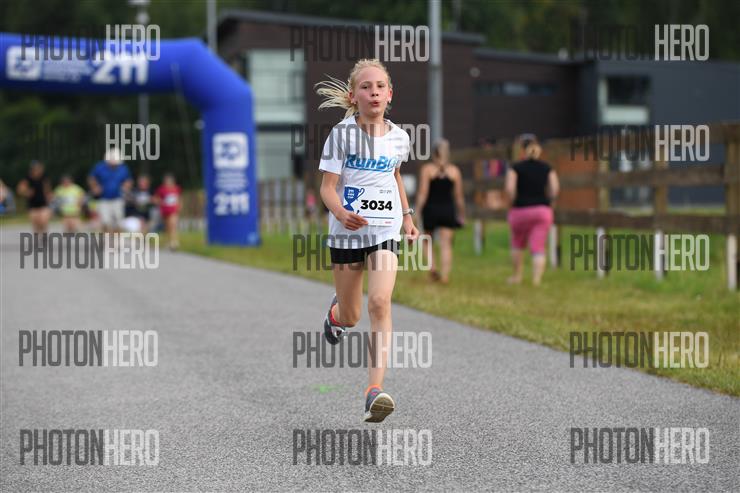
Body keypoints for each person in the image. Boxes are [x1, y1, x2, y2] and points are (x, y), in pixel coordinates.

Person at [315, 58, 419, 423]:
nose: (373, 92)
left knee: (379, 302)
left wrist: (407, 217)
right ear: (353, 96)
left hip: (385, 230)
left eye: (380, 87)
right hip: (346, 235)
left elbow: (394, 176)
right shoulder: (341, 135)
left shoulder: (400, 138)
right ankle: (336, 316)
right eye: (366, 87)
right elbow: (327, 188)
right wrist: (341, 212)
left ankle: (374, 391)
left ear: (390, 95)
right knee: (352, 315)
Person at [505, 134, 559, 286]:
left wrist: (512, 203)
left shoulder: (515, 168)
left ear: (521, 150)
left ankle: (517, 276)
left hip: (520, 210)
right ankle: (536, 280)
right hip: (542, 211)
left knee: (517, 243)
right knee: (538, 246)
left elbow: (510, 189)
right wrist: (549, 202)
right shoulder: (547, 168)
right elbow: (555, 189)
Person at [415, 138, 465, 284]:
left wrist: (416, 212)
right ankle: (445, 275)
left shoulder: (427, 169)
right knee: (446, 244)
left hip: (431, 209)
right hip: (447, 210)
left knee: (427, 240)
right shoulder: (455, 171)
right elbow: (459, 197)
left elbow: (423, 193)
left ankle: (432, 268)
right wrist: (462, 214)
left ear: (434, 153)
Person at [88, 148, 132, 233]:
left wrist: (126, 187)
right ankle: (107, 238)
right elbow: (91, 178)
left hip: (118, 198)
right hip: (103, 199)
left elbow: (128, 180)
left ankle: (117, 238)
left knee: (119, 221)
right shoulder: (100, 167)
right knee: (105, 221)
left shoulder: (123, 168)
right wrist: (95, 187)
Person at [16, 160, 52, 233]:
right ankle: (37, 236)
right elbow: (20, 190)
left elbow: (47, 189)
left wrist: (49, 197)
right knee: (36, 223)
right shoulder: (27, 179)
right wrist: (27, 192)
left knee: (43, 221)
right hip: (32, 204)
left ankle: (44, 235)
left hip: (43, 203)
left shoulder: (44, 178)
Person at [154, 173, 181, 250]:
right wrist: (160, 202)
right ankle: (168, 241)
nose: (168, 182)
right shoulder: (162, 189)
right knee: (167, 227)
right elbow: (156, 198)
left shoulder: (176, 188)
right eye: (167, 181)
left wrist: (179, 206)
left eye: (170, 181)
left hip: (173, 210)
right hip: (165, 211)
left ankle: (174, 242)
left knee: (173, 225)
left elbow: (178, 198)